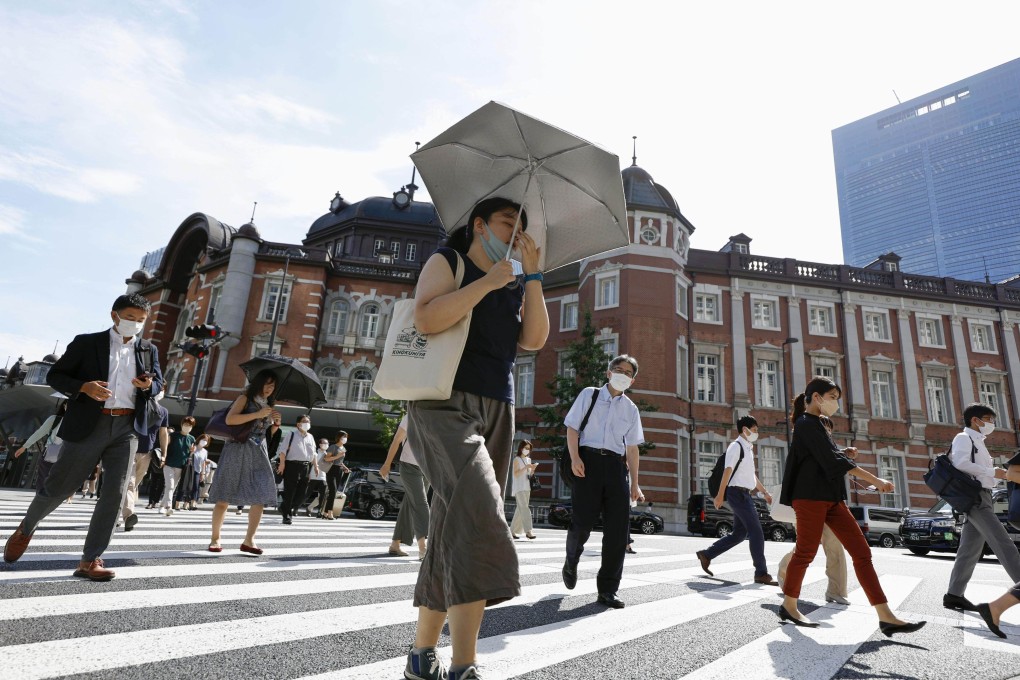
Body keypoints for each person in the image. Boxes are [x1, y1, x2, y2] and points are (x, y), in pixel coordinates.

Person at [403, 196, 548, 680]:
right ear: (480, 223)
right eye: (509, 222)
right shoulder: (450, 262)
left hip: (496, 407)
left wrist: (532, 277)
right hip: (441, 401)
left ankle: (422, 655)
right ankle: (465, 664)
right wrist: (487, 282)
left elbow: (533, 340)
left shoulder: (512, 279)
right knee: (482, 511)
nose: (515, 232)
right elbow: (426, 319)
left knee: (452, 524)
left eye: (521, 226)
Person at [3, 293, 163, 580]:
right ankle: (26, 528)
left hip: (127, 428)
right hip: (90, 423)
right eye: (130, 318)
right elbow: (56, 377)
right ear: (114, 316)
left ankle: (90, 560)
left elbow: (158, 383)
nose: (135, 325)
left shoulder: (148, 349)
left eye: (140, 321)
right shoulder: (87, 343)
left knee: (114, 494)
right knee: (61, 486)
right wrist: (84, 388)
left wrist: (147, 386)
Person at [778, 376, 925, 635]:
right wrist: (876, 480)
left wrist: (843, 453)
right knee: (805, 553)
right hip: (810, 498)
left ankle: (886, 615)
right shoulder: (804, 423)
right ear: (816, 397)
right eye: (832, 397)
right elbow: (831, 461)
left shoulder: (818, 426)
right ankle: (789, 604)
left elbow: (828, 456)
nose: (836, 403)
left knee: (862, 552)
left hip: (832, 499)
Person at [562, 354, 645, 610]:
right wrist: (575, 457)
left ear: (632, 380)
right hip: (587, 462)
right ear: (609, 373)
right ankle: (572, 558)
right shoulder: (590, 394)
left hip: (615, 467)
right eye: (618, 369)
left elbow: (632, 449)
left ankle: (608, 589)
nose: (622, 374)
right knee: (583, 522)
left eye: (628, 372)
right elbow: (573, 428)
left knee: (618, 532)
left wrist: (634, 483)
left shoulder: (631, 409)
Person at [942, 403, 1020, 612]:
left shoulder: (978, 441)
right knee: (1004, 544)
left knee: (969, 550)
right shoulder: (963, 438)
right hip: (975, 498)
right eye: (988, 419)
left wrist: (993, 474)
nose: (991, 423)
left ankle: (953, 595)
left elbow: (982, 473)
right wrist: (991, 471)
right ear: (975, 420)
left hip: (983, 497)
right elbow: (960, 463)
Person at [696, 415, 778, 586]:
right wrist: (719, 495)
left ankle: (707, 554)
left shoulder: (748, 448)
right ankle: (761, 573)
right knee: (756, 531)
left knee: (739, 534)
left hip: (744, 494)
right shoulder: (736, 446)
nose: (756, 433)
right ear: (745, 430)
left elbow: (751, 476)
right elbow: (728, 470)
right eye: (754, 430)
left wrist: (765, 492)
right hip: (737, 494)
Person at [776, 415, 850, 605]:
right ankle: (784, 572)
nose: (826, 430)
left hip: (831, 506)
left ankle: (836, 591)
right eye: (823, 426)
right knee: (804, 549)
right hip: (808, 505)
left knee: (835, 547)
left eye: (828, 427)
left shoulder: (832, 447)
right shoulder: (806, 444)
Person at [206, 369, 281, 554]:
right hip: (237, 449)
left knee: (261, 495)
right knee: (224, 497)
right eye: (267, 384)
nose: (269, 389)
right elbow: (231, 420)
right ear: (259, 383)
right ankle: (215, 539)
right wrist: (257, 414)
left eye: (272, 386)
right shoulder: (245, 398)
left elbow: (262, 432)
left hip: (258, 452)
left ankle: (249, 540)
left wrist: (275, 425)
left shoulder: (269, 405)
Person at [381, 415, 429, 558]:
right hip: (409, 466)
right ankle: (424, 547)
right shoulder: (411, 416)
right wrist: (387, 464)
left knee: (411, 503)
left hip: (428, 467)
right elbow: (397, 440)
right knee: (420, 503)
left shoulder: (438, 415)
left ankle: (395, 545)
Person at [121, 394, 169, 530]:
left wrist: (164, 454)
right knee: (128, 484)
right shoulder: (136, 403)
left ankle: (115, 513)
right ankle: (129, 516)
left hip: (146, 453)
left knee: (131, 486)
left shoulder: (163, 411)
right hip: (128, 449)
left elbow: (163, 433)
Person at [14, 399, 68, 493]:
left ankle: (49, 500)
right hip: (50, 454)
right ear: (64, 406)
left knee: (60, 481)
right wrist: (24, 447)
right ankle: (40, 498)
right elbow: (39, 433)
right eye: (69, 405)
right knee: (44, 478)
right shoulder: (54, 419)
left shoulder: (79, 423)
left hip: (67, 455)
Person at [277, 414, 318, 524]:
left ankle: (283, 507)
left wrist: (316, 466)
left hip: (305, 466)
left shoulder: (311, 437)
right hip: (292, 465)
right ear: (298, 424)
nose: (307, 423)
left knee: (302, 493)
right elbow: (282, 451)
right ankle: (287, 515)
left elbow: (313, 453)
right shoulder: (291, 434)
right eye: (304, 421)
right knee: (289, 491)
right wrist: (282, 464)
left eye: (308, 421)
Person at [236, 413, 281, 515]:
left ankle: (257, 506)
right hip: (248, 457)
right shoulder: (252, 429)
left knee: (260, 483)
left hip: (263, 460)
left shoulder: (272, 430)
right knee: (245, 482)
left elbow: (271, 438)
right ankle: (240, 506)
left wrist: (276, 424)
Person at [159, 416, 196, 516]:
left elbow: (190, 454)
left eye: (189, 425)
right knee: (170, 486)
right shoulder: (173, 435)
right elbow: (165, 446)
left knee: (172, 487)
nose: (187, 427)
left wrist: (192, 452)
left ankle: (162, 506)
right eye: (185, 424)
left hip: (181, 466)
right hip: (169, 464)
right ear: (181, 425)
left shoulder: (192, 439)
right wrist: (163, 457)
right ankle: (168, 507)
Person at [509, 440, 538, 540]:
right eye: (525, 448)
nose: (527, 450)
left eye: (529, 449)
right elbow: (516, 474)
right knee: (525, 508)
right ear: (521, 448)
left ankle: (512, 531)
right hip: (519, 488)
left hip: (527, 487)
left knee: (520, 509)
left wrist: (532, 469)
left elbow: (529, 475)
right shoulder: (516, 459)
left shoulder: (529, 460)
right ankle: (528, 531)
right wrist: (526, 467)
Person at [321, 430, 350, 520]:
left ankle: (325, 513)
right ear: (339, 437)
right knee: (333, 491)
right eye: (343, 437)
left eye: (346, 437)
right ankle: (330, 512)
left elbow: (340, 461)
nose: (345, 438)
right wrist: (338, 456)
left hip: (339, 470)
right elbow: (326, 458)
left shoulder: (343, 448)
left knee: (333, 492)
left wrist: (345, 467)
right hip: (331, 469)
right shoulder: (333, 447)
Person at [300, 438, 329, 517]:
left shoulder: (328, 454)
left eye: (327, 443)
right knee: (307, 494)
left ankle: (319, 512)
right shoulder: (315, 452)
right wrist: (308, 474)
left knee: (322, 496)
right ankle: (295, 508)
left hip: (323, 477)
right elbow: (309, 464)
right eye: (324, 443)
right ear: (320, 444)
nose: (326, 445)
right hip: (313, 476)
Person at [187, 434, 210, 509]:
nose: (204, 442)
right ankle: (186, 502)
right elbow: (189, 457)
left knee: (196, 487)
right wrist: (192, 452)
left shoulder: (205, 452)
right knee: (188, 486)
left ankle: (193, 503)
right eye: (203, 440)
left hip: (198, 470)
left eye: (206, 441)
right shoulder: (194, 447)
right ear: (199, 439)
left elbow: (203, 462)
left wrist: (202, 473)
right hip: (190, 469)